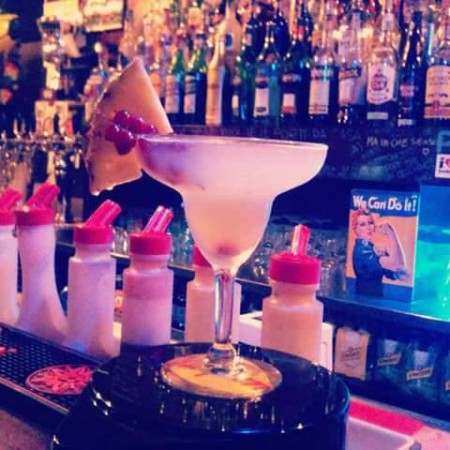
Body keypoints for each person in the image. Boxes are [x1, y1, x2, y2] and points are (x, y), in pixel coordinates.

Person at [351, 208, 409, 297]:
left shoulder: (372, 248)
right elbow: (397, 264)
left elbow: (403, 275)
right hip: (365, 299)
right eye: (362, 225)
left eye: (370, 223)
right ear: (356, 229)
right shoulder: (362, 251)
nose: (368, 227)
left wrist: (387, 252)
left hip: (376, 299)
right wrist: (390, 233)